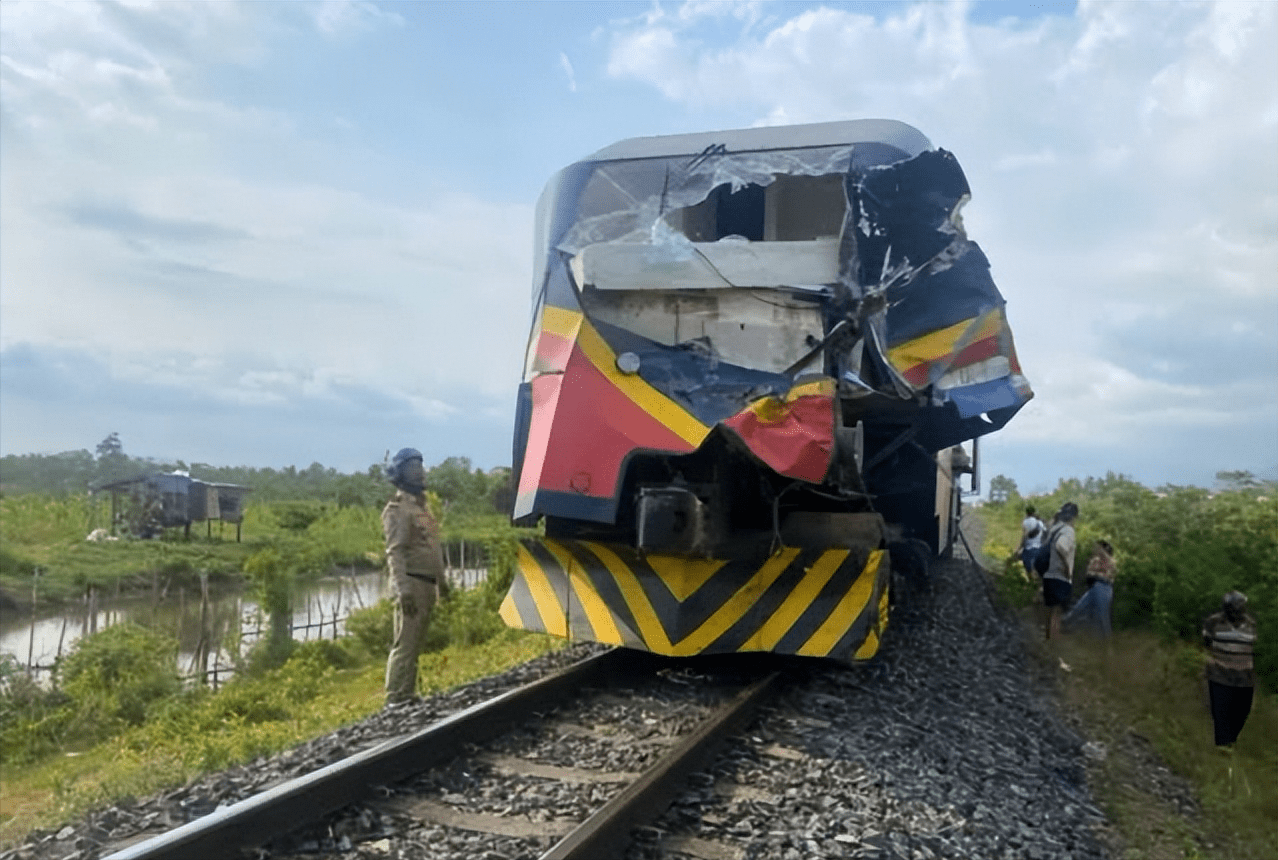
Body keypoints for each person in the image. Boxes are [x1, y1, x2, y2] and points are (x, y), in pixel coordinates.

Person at [381, 448, 443, 707]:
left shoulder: (423, 509)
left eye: (420, 466)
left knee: (416, 643)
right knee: (405, 643)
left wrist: (444, 583)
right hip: (412, 584)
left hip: (428, 584)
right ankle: (395, 698)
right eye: (412, 468)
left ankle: (408, 694)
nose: (419, 472)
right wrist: (403, 590)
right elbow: (395, 552)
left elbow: (433, 548)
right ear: (400, 473)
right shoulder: (398, 510)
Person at [1202, 591, 1257, 747]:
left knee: (1242, 712)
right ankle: (1223, 748)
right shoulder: (1213, 622)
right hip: (1219, 674)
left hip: (1244, 677)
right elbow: (1206, 641)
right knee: (1220, 713)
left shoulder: (1251, 624)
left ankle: (1230, 742)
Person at [1062, 539, 1116, 638]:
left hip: (1104, 587)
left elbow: (1107, 575)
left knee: (1103, 618)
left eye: (1097, 547)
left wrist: (1096, 573)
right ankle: (1064, 628)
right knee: (1078, 610)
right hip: (1094, 587)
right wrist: (1096, 573)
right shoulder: (1095, 560)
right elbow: (1089, 573)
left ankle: (1108, 645)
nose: (1094, 549)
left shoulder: (1109, 560)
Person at [1040, 502, 1078, 640]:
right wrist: (1067, 568)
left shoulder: (1053, 528)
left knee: (1050, 610)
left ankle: (1046, 641)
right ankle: (1054, 649)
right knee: (1057, 612)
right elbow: (1061, 546)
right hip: (1060, 575)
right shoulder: (1068, 530)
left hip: (1048, 573)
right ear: (1074, 517)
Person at [1019, 505, 1047, 576]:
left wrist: (1020, 547)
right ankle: (1037, 584)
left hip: (1028, 548)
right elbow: (1046, 533)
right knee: (1037, 570)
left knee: (1029, 570)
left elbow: (1025, 535)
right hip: (1039, 548)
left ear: (1027, 512)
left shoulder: (1025, 522)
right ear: (1034, 512)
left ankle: (1031, 584)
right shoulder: (1040, 522)